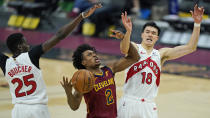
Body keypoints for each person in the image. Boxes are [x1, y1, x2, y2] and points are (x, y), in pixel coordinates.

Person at [0, 4, 102, 118]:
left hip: (18, 111)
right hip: (37, 110)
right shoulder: (31, 55)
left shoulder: (5, 63)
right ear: (19, 46)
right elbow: (60, 35)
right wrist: (81, 17)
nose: (28, 45)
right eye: (25, 43)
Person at [110, 5, 204, 118]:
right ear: (142, 35)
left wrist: (197, 24)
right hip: (129, 102)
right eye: (147, 32)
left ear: (157, 38)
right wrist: (128, 32)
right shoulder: (135, 47)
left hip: (149, 105)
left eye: (153, 33)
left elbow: (191, 47)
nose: (150, 34)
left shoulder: (161, 54)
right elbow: (124, 49)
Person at [60, 11, 139, 118]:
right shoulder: (83, 79)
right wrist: (69, 92)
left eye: (94, 53)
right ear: (84, 62)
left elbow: (135, 57)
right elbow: (74, 106)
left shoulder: (109, 69)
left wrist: (125, 38)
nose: (94, 55)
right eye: (89, 55)